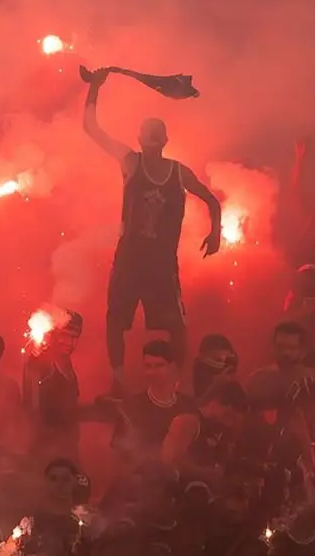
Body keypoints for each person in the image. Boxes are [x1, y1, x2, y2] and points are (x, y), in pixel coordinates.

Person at [80, 67, 223, 397]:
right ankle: (118, 380)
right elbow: (91, 127)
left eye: (156, 133)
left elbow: (212, 200)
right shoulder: (131, 163)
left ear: (164, 140)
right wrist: (95, 88)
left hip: (160, 264)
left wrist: (216, 233)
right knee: (117, 320)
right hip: (130, 259)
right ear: (141, 139)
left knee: (175, 326)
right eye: (148, 132)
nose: (151, 137)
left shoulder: (177, 172)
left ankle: (174, 384)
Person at [110, 339, 197, 463]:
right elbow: (119, 454)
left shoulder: (188, 406)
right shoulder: (131, 407)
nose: (152, 372)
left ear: (172, 367)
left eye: (159, 365)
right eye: (148, 366)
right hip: (143, 472)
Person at [23, 310, 83, 462]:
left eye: (75, 337)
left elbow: (68, 409)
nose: (70, 343)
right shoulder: (39, 364)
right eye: (65, 336)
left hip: (67, 449)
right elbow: (31, 411)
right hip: (45, 452)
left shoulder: (67, 364)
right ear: (53, 334)